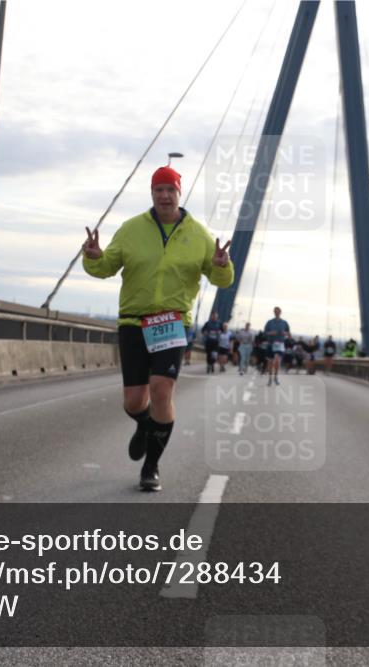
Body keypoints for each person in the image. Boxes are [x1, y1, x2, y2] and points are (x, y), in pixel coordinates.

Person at [82, 165, 234, 491]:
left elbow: (220, 278)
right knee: (134, 402)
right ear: (152, 194)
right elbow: (106, 267)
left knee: (162, 389)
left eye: (170, 190)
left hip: (172, 322)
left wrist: (223, 266)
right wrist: (94, 257)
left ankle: (151, 466)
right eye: (158, 190)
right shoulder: (131, 229)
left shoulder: (199, 235)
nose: (164, 196)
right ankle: (145, 423)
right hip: (133, 322)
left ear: (180, 193)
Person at [263, 306, 290, 386]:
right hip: (271, 344)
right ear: (274, 312)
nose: (277, 312)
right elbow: (265, 333)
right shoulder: (269, 322)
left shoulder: (284, 323)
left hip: (280, 344)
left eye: (278, 311)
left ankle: (276, 377)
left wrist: (285, 333)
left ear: (280, 312)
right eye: (275, 311)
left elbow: (289, 334)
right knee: (270, 363)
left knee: (277, 361)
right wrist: (271, 333)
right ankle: (270, 379)